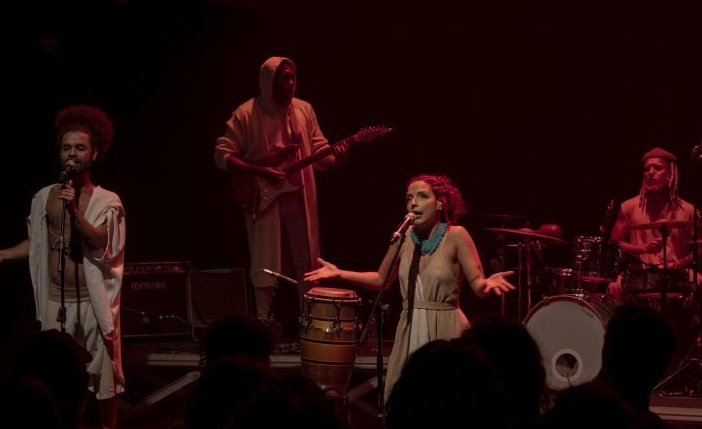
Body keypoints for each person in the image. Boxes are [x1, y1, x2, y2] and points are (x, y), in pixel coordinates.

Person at [0, 104, 126, 429]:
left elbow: (98, 242)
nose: (71, 154)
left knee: (103, 374)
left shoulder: (108, 201)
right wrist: (4, 253)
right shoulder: (44, 197)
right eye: (66, 148)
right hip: (56, 300)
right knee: (54, 373)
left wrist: (74, 210)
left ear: (95, 153)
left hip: (92, 303)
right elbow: (38, 244)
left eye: (79, 148)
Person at [305, 174, 514, 401]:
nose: (413, 203)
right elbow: (380, 279)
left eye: (422, 196)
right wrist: (339, 273)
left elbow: (478, 286)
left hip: (445, 327)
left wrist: (487, 283)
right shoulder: (404, 237)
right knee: (404, 397)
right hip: (409, 327)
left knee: (445, 396)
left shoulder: (457, 235)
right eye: (409, 198)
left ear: (440, 202)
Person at [214, 56, 349, 321]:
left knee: (306, 261)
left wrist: (338, 156)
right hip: (263, 198)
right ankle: (263, 322)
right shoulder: (246, 113)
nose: (290, 84)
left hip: (297, 198)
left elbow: (320, 151)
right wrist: (259, 171)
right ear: (269, 82)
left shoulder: (303, 110)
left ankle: (307, 320)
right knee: (265, 261)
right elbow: (222, 155)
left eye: (293, 77)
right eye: (284, 78)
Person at [607, 147, 702, 302]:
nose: (651, 173)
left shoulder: (689, 211)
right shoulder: (628, 207)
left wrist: (681, 263)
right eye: (647, 169)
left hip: (678, 273)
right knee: (615, 286)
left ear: (670, 175)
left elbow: (699, 250)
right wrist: (644, 248)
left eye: (658, 168)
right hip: (639, 272)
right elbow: (614, 244)